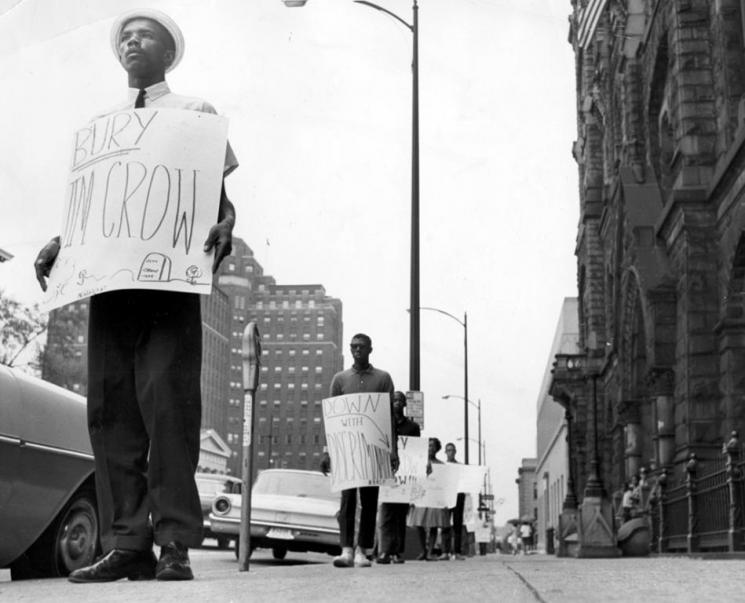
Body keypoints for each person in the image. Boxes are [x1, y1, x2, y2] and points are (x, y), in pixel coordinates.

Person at [34, 9, 237, 583]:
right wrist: (60, 243)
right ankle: (128, 542)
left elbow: (215, 199)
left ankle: (174, 542)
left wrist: (228, 225)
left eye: (144, 34)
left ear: (168, 52)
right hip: (110, 285)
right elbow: (94, 210)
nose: (131, 40)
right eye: (125, 34)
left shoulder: (194, 114)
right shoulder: (101, 127)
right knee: (109, 410)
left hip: (168, 282)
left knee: (169, 407)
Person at [325, 333, 396, 568]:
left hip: (373, 449)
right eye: (353, 346)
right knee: (347, 501)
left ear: (370, 350)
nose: (357, 350)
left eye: (361, 347)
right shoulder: (340, 379)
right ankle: (345, 549)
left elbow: (389, 418)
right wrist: (328, 451)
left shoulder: (383, 379)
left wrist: (392, 450)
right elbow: (332, 419)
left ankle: (362, 550)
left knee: (369, 500)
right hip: (346, 449)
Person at [376, 391, 421, 564]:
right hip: (388, 472)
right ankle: (385, 551)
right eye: (394, 399)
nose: (397, 402)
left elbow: (416, 451)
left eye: (400, 400)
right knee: (387, 512)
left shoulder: (413, 427)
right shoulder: (385, 424)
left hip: (405, 474)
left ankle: (396, 552)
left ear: (404, 404)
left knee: (400, 514)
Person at [407, 437, 450, 561]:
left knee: (433, 525)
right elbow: (414, 480)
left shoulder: (441, 465)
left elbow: (444, 483)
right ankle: (423, 550)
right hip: (421, 496)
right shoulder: (419, 462)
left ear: (437, 448)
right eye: (428, 445)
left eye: (432, 446)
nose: (430, 448)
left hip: (434, 497)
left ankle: (430, 551)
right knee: (419, 524)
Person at [440, 441, 466, 561]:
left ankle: (457, 552)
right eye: (448, 450)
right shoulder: (442, 466)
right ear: (445, 452)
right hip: (446, 497)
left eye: (452, 450)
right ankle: (445, 551)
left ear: (455, 452)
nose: (450, 452)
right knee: (445, 524)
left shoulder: (460, 467)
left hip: (458, 497)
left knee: (457, 525)